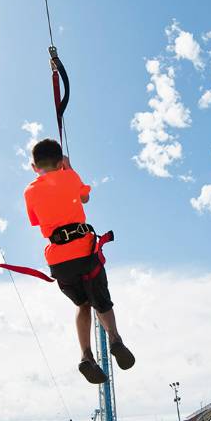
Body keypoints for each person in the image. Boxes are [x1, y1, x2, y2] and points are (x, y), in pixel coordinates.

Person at [24, 138, 134, 384]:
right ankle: (115, 339)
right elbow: (84, 198)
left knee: (82, 305)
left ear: (33, 166)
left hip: (59, 260)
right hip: (84, 250)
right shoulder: (70, 177)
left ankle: (86, 355)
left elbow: (35, 220)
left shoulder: (29, 191)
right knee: (101, 303)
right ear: (61, 160)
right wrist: (69, 169)